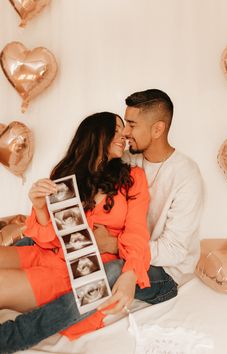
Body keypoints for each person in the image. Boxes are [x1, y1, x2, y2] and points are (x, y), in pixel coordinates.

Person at [0, 87, 202, 351]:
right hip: (99, 253)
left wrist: (114, 247)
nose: (125, 134)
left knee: (113, 271)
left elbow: (171, 250)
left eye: (130, 125)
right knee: (31, 242)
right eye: (120, 128)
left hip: (161, 274)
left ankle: (10, 338)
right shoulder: (125, 161)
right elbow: (69, 233)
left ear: (157, 129)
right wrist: (41, 210)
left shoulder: (184, 175)